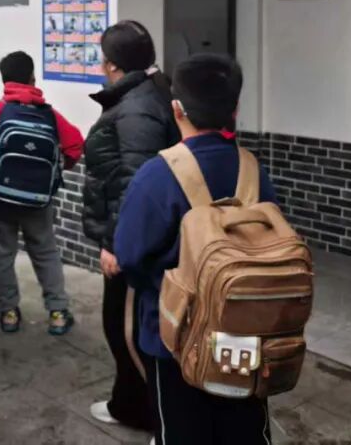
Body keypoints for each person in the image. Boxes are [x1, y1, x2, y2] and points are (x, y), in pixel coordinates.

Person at [115, 54, 276, 445]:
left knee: (181, 431)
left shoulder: (157, 175)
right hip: (244, 334)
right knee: (244, 429)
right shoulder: (253, 170)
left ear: (177, 109)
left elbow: (129, 256)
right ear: (235, 109)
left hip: (173, 339)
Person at [82, 20, 179, 431]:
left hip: (134, 241)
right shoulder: (147, 93)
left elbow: (133, 182)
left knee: (126, 329)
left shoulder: (137, 108)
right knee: (128, 326)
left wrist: (116, 244)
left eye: (103, 59)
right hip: (141, 236)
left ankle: (150, 414)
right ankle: (131, 403)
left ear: (113, 65)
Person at [0, 51, 85, 335]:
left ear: (4, 81)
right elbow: (75, 145)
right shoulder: (50, 115)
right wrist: (54, 173)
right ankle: (58, 313)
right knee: (45, 251)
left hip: (0, 197)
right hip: (38, 199)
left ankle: (9, 312)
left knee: (2, 253)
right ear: (32, 78)